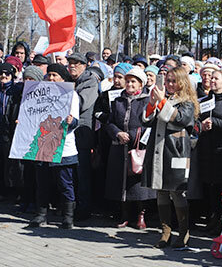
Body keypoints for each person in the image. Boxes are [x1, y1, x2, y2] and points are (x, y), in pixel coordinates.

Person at [141, 67, 199, 248]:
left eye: (174, 81)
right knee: (161, 190)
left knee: (177, 191)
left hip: (177, 151)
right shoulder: (164, 98)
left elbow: (180, 119)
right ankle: (165, 232)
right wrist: (152, 103)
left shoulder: (187, 101)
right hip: (159, 149)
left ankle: (183, 232)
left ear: (182, 82)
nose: (170, 84)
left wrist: (162, 101)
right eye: (168, 81)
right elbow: (146, 120)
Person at [28, 63, 79, 229]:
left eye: (55, 75)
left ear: (62, 78)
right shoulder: (37, 94)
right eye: (49, 75)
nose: (51, 78)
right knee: (42, 183)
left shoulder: (71, 94)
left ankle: (68, 217)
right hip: (42, 145)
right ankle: (41, 214)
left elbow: (75, 121)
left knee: (65, 183)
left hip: (62, 147)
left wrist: (72, 122)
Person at [104, 67, 155, 229]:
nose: (129, 84)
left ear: (141, 84)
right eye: (128, 81)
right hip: (119, 147)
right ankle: (125, 215)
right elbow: (109, 122)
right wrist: (117, 133)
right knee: (122, 182)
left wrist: (132, 135)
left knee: (138, 183)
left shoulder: (147, 100)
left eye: (133, 81)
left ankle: (141, 216)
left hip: (138, 148)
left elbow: (150, 124)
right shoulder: (118, 100)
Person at [195, 69, 222, 235]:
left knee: (221, 186)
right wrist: (202, 126)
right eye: (211, 78)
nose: (211, 80)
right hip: (206, 149)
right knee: (208, 185)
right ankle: (211, 216)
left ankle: (221, 219)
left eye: (216, 78)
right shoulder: (205, 100)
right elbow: (197, 121)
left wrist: (214, 122)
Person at [67, 52, 100, 220]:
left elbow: (81, 103)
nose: (72, 66)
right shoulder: (66, 80)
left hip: (82, 134)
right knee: (67, 173)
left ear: (84, 65)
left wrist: (66, 94)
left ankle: (83, 208)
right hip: (66, 134)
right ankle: (68, 206)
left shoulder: (90, 82)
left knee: (82, 174)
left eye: (76, 63)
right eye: (70, 63)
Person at [0, 63, 23, 199]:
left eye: (7, 74)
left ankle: (17, 191)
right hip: (1, 130)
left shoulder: (17, 90)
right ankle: (4, 190)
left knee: (14, 164)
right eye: (1, 74)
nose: (3, 76)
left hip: (12, 130)